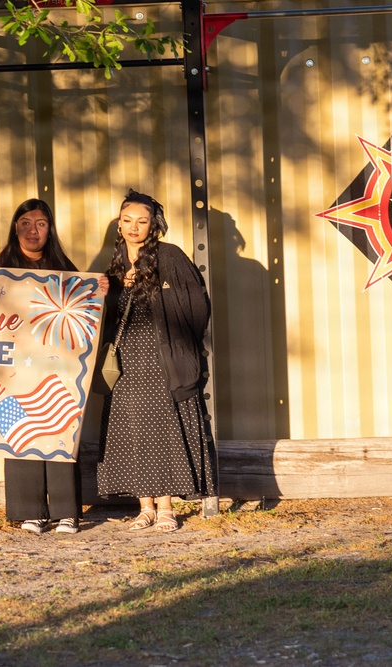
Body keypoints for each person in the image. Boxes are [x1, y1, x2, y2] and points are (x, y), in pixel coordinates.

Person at [96, 190, 216, 533]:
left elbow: (197, 306)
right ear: (119, 225)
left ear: (154, 225)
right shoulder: (115, 264)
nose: (134, 227)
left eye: (142, 221)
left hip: (161, 357)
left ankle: (166, 507)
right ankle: (144, 506)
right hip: (125, 361)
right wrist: (103, 294)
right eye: (127, 221)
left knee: (163, 428)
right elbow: (104, 318)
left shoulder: (171, 256)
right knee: (133, 429)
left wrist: (180, 344)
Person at [0, 199, 107, 535]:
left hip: (56, 367)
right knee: (19, 429)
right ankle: (31, 512)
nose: (32, 230)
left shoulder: (65, 268)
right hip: (11, 368)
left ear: (49, 229)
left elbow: (83, 313)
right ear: (15, 227)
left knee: (58, 430)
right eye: (25, 222)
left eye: (40, 223)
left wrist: (98, 291)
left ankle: (66, 511)